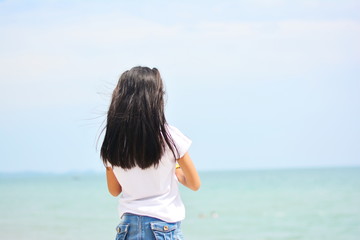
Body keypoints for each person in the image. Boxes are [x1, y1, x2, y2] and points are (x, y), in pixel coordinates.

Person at [100, 66, 201, 240]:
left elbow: (114, 190)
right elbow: (194, 184)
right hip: (162, 228)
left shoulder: (113, 142)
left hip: (127, 228)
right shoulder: (169, 137)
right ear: (154, 99)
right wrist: (175, 168)